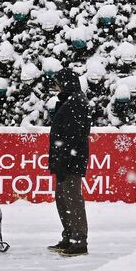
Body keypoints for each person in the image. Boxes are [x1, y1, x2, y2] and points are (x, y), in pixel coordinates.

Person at [47, 68, 91, 256]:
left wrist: (66, 159)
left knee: (72, 200)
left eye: (58, 82)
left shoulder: (77, 102)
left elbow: (73, 136)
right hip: (64, 159)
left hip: (70, 160)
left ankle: (79, 241)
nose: (55, 86)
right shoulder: (69, 101)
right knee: (63, 199)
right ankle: (69, 237)